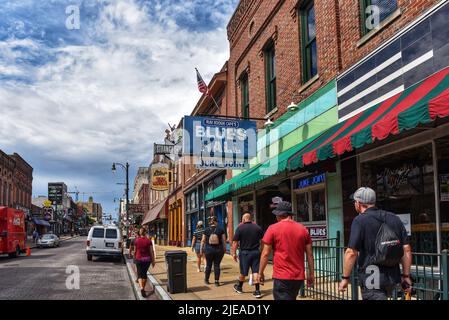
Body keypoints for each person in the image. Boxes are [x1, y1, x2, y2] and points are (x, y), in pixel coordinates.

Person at [338, 187, 412, 300]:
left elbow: (351, 252)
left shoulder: (360, 221)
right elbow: (406, 249)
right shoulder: (394, 218)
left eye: (354, 202)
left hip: (371, 279)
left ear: (358, 203)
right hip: (392, 278)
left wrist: (345, 278)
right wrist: (406, 276)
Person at [259, 201, 315, 300]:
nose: (276, 217)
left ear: (281, 214)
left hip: (282, 276)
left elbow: (265, 253)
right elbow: (310, 254)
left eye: (276, 214)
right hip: (298, 277)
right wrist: (311, 274)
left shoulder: (272, 228)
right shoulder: (303, 229)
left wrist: (260, 272)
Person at [231, 213, 264, 298]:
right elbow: (263, 241)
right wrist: (261, 250)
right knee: (255, 271)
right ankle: (257, 291)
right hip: (255, 252)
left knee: (243, 272)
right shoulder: (257, 227)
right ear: (250, 219)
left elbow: (235, 242)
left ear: (243, 219)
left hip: (245, 253)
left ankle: (239, 287)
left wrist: (234, 253)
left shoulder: (240, 228)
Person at [201, 216, 226, 286]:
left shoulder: (206, 230)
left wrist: (201, 249)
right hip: (218, 250)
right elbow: (224, 240)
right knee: (217, 265)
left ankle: (206, 280)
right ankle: (216, 282)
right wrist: (224, 248)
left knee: (208, 265)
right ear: (216, 222)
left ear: (210, 222)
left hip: (208, 250)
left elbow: (203, 241)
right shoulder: (221, 230)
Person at [131, 228, 155, 298]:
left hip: (139, 259)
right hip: (147, 260)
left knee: (139, 274)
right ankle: (143, 288)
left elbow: (135, 251)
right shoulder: (148, 241)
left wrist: (133, 258)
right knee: (144, 274)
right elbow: (151, 252)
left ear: (140, 233)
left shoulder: (136, 241)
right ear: (145, 233)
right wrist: (153, 261)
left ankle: (141, 288)